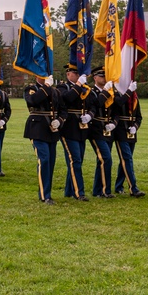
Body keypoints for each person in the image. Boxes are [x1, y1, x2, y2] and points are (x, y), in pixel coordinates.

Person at [23, 73, 62, 203]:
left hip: (52, 130)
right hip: (37, 129)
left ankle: (46, 193)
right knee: (44, 160)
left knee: (50, 162)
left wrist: (60, 121)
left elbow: (63, 109)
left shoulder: (54, 91)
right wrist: (46, 86)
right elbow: (33, 100)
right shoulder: (31, 88)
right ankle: (45, 195)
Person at [57, 63, 91, 201]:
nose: (77, 75)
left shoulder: (85, 88)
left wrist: (90, 115)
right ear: (68, 74)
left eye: (79, 73)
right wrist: (78, 85)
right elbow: (68, 98)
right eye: (75, 73)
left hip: (82, 127)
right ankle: (79, 193)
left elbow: (92, 104)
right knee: (75, 160)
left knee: (77, 160)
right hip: (69, 128)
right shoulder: (62, 87)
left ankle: (69, 191)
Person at [113, 80, 146, 198]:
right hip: (120, 131)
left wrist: (135, 127)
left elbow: (139, 117)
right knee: (126, 158)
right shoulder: (117, 93)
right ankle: (133, 188)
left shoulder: (135, 97)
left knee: (126, 159)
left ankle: (118, 186)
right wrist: (129, 91)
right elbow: (119, 103)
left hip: (131, 132)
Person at [88, 67, 115, 198]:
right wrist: (105, 91)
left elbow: (116, 110)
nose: (104, 78)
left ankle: (97, 190)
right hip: (95, 129)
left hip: (107, 130)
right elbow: (97, 104)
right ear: (95, 78)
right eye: (101, 76)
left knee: (102, 161)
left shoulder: (109, 92)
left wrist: (113, 123)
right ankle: (105, 191)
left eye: (105, 76)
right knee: (106, 158)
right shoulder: (91, 92)